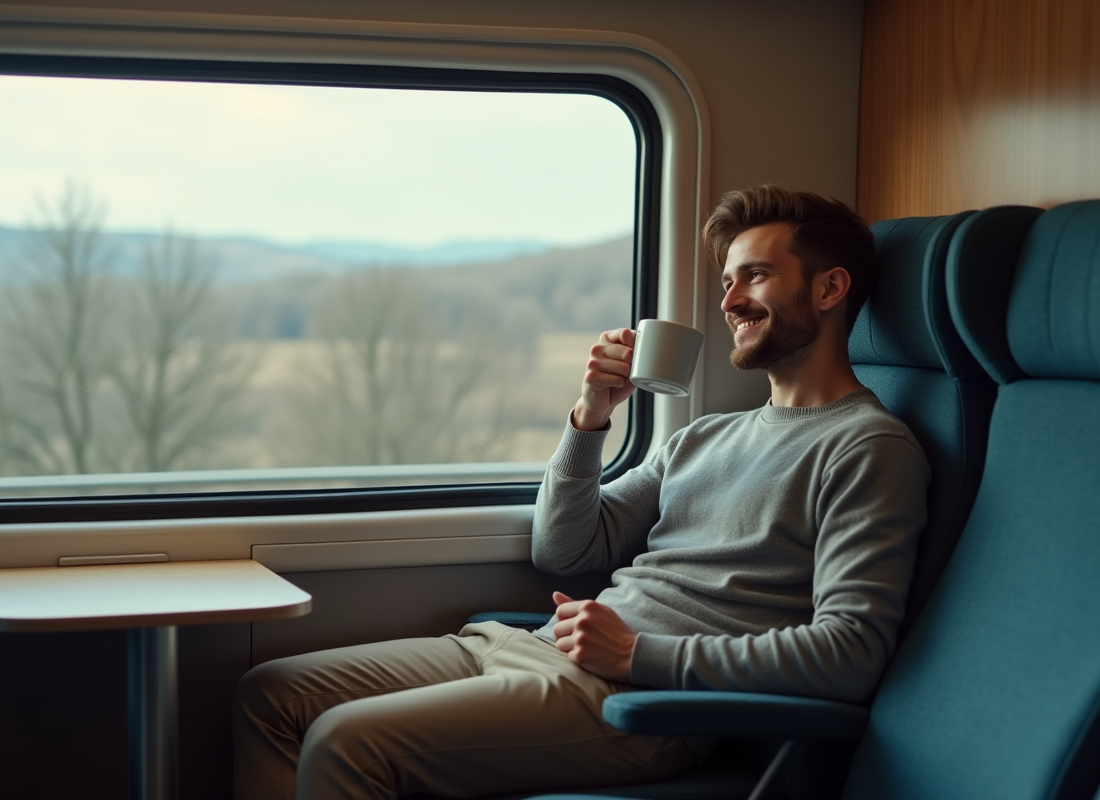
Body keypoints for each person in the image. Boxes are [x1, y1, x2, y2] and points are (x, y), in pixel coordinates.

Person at [232, 185, 930, 800]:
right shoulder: (706, 438)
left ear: (830, 289)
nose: (728, 301)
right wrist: (594, 411)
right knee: (272, 695)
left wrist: (635, 655)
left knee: (347, 742)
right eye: (726, 281)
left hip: (637, 701)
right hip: (537, 648)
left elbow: (850, 654)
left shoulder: (867, 447)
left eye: (755, 276)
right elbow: (563, 550)